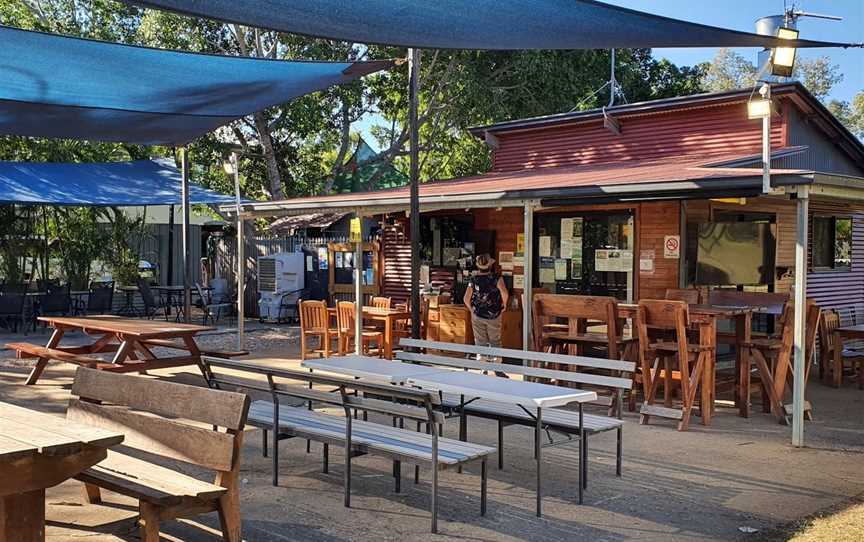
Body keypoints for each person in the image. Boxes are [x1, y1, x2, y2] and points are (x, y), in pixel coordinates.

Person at [463, 254, 509, 377]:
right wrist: (504, 305)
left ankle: (483, 367)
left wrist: (472, 310)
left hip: (478, 314)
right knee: (495, 340)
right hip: (494, 313)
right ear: (490, 265)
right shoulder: (497, 278)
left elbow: (466, 298)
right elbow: (504, 292)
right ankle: (497, 367)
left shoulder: (474, 279)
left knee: (480, 341)